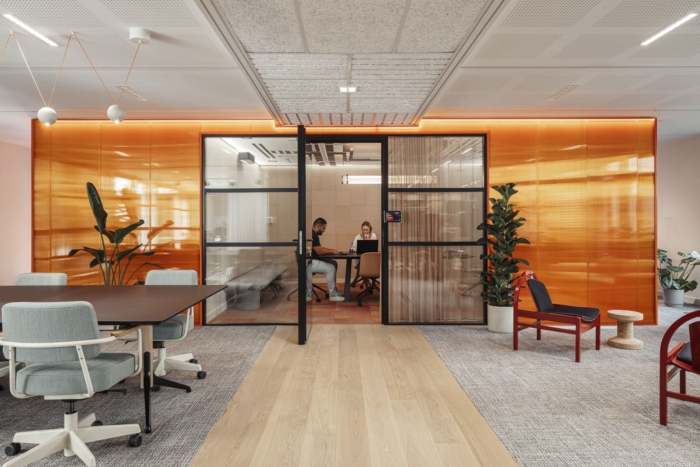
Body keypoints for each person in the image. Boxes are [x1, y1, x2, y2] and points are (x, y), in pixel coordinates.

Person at [307, 218, 345, 302]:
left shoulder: (313, 234)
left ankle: (334, 290)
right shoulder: (313, 235)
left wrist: (335, 250)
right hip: (311, 263)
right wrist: (335, 252)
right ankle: (332, 295)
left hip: (313, 261)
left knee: (333, 263)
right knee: (331, 268)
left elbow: (320, 248)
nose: (324, 231)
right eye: (323, 228)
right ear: (318, 226)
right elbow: (320, 252)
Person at [351, 221, 377, 288]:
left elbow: (374, 248)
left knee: (362, 267)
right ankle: (367, 287)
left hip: (371, 260)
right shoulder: (358, 236)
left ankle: (355, 281)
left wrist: (367, 240)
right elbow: (353, 246)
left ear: (370, 229)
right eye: (364, 230)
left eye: (367, 230)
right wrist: (353, 249)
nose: (365, 231)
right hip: (360, 260)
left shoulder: (373, 236)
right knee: (362, 264)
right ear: (362, 229)